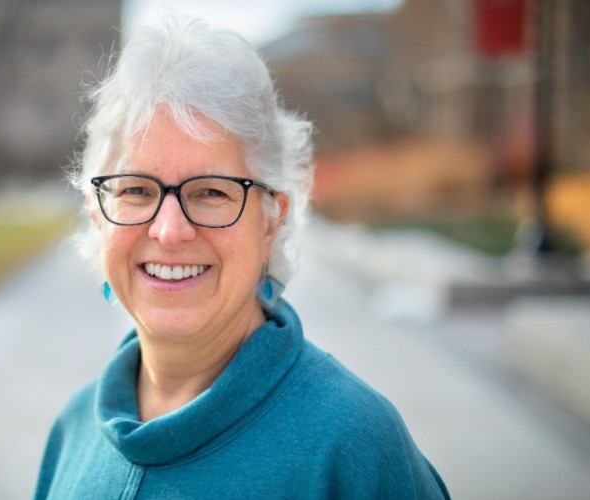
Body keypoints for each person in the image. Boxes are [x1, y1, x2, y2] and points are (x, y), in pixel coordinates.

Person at [35, 16, 450, 499]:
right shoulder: (71, 433)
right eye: (136, 190)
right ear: (97, 213)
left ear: (272, 217)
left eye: (212, 191)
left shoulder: (354, 447)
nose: (169, 231)